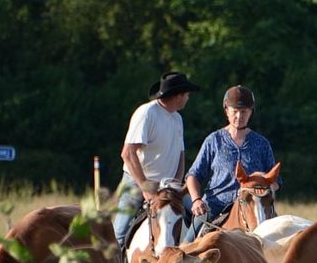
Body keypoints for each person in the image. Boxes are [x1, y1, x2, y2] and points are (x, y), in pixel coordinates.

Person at [112, 70, 198, 250]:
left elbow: (180, 155)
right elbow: (128, 153)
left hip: (168, 185)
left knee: (201, 216)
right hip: (138, 183)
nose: (188, 98)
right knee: (119, 234)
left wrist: (176, 185)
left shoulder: (177, 118)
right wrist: (145, 187)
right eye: (187, 94)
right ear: (178, 95)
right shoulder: (147, 113)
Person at [185, 85, 278, 229]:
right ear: (226, 111)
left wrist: (264, 190)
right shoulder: (213, 140)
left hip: (254, 207)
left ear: (251, 112)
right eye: (235, 111)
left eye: (244, 111)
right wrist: (196, 200)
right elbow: (193, 175)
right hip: (215, 206)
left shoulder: (262, 144)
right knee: (189, 242)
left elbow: (275, 181)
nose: (239, 116)